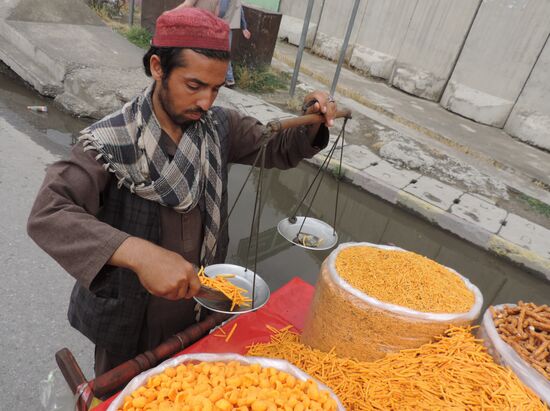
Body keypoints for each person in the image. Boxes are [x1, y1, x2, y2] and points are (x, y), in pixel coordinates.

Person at [27, 7, 337, 378]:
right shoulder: (111, 143)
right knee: (126, 394)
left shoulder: (221, 128)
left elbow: (278, 146)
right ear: (158, 67)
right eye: (193, 86)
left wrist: (311, 119)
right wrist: (139, 254)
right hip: (129, 319)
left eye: (216, 89)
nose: (206, 102)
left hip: (201, 309)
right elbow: (49, 212)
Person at [219, 0, 250, 87]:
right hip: (223, 24)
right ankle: (228, 78)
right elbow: (239, 9)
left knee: (224, 51)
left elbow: (237, 9)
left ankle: (229, 78)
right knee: (223, 51)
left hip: (223, 24)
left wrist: (244, 27)